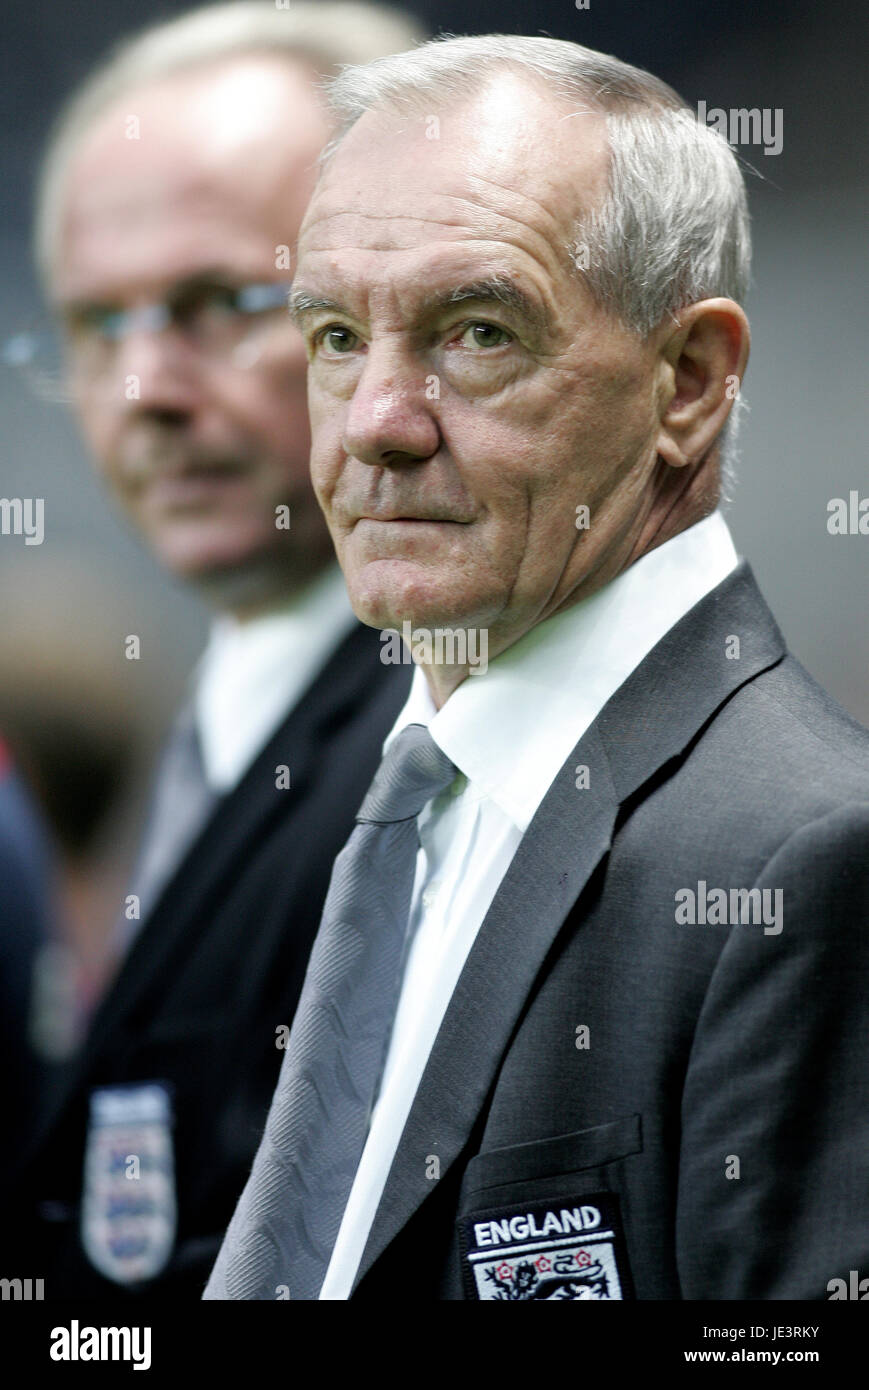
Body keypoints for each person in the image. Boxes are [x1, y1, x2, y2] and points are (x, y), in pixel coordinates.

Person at [204, 34, 869, 1301]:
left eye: (476, 332)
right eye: (336, 335)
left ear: (686, 383)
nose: (377, 422)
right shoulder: (369, 824)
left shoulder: (810, 861)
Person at [6, 2, 422, 1299]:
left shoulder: (468, 753)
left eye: (221, 302)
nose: (145, 389)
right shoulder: (234, 707)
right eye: (96, 325)